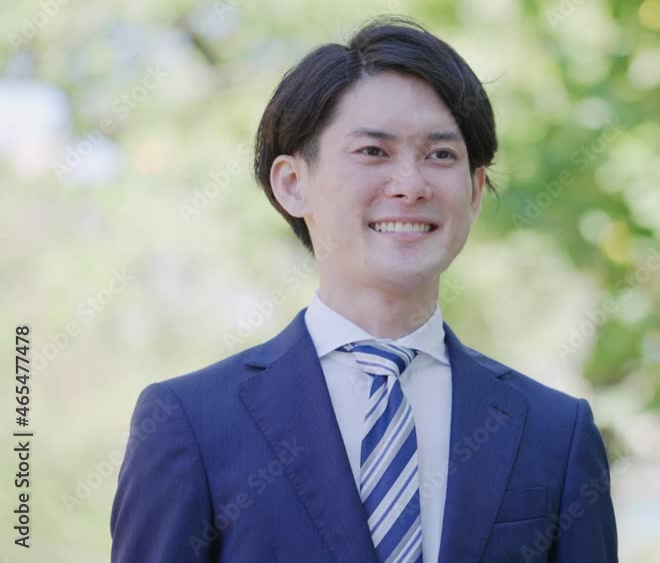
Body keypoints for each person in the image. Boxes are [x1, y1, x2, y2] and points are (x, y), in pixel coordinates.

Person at [110, 16, 618, 563]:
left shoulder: (554, 432)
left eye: (440, 155)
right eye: (374, 151)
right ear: (292, 184)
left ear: (474, 192)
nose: (411, 185)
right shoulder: (191, 423)